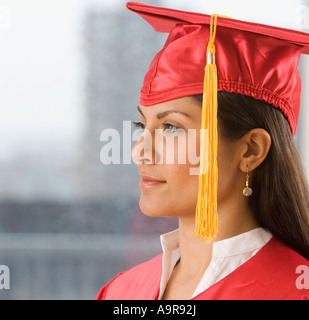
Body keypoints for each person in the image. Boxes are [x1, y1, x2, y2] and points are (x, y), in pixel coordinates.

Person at [96, 2, 309, 300]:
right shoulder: (122, 292)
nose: (138, 152)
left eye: (171, 127)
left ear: (250, 151)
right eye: (141, 125)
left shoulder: (296, 291)